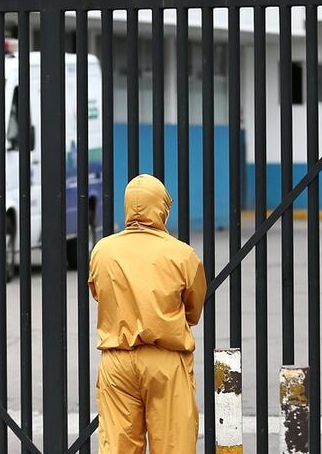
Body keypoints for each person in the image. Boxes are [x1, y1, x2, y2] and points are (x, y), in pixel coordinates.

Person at [88, 174, 207, 453]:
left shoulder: (103, 250)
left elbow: (98, 293)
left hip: (117, 360)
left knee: (118, 445)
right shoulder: (182, 254)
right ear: (162, 207)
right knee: (174, 444)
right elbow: (193, 309)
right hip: (165, 361)